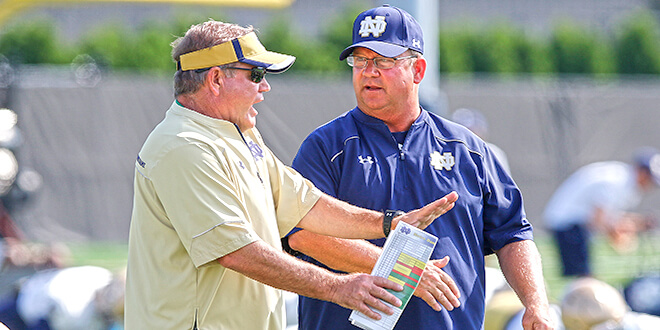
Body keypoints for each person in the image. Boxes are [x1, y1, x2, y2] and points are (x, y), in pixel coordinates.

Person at [123, 19, 458, 330]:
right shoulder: (184, 147)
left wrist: (386, 223)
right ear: (215, 79)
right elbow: (236, 251)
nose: (265, 86)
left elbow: (304, 204)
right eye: (255, 74)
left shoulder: (234, 133)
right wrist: (338, 287)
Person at [284, 5, 553, 330]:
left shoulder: (467, 150)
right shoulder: (327, 147)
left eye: (383, 61)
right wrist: (405, 270)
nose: (369, 71)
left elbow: (513, 234)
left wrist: (537, 304)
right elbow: (303, 235)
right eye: (360, 60)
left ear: (419, 70)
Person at [543, 147, 660, 277]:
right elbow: (598, 219)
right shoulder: (616, 181)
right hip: (568, 223)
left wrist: (635, 224)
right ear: (642, 172)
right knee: (582, 276)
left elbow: (610, 216)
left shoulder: (625, 182)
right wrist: (619, 236)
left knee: (583, 275)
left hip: (576, 224)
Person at [451, 107, 511, 173]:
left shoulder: (492, 152)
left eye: (473, 130)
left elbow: (502, 182)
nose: (470, 136)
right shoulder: (447, 153)